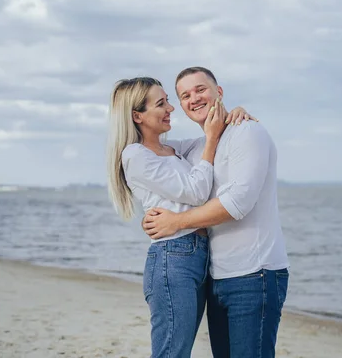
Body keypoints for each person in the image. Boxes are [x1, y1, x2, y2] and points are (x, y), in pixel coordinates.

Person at [142, 67, 290, 358]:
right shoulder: (196, 149)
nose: (194, 99)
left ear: (218, 92)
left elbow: (238, 202)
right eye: (185, 95)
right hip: (215, 277)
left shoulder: (248, 132)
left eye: (201, 90)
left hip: (255, 274)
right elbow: (148, 145)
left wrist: (176, 222)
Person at [106, 77, 254, 358]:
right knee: (172, 353)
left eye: (168, 101)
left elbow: (216, 136)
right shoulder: (135, 155)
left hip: (197, 257)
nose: (170, 109)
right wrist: (211, 138)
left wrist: (235, 113)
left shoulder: (172, 149)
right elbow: (197, 191)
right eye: (161, 103)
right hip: (172, 260)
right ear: (137, 116)